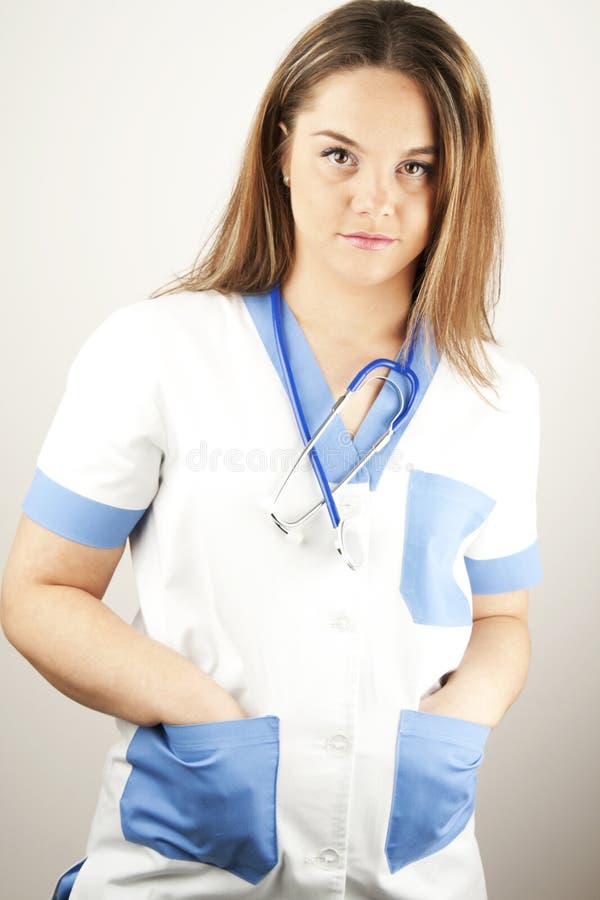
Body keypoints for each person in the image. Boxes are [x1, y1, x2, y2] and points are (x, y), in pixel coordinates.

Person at [0, 1, 543, 898]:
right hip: (184, 863)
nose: (377, 199)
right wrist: (200, 712)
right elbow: (38, 590)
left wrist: (457, 728)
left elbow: (503, 620)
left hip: (412, 869)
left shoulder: (497, 393)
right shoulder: (156, 350)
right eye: (341, 155)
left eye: (418, 166)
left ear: (460, 182)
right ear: (280, 150)